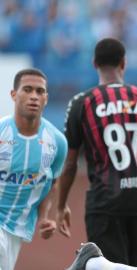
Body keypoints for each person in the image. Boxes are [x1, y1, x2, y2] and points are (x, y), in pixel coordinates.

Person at [56, 38, 137, 269]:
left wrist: (61, 204)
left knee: (104, 266)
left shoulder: (82, 103)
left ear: (94, 63)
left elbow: (71, 163)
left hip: (105, 201)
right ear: (123, 63)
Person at [0, 68, 68, 270]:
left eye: (39, 92)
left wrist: (45, 217)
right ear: (13, 94)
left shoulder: (57, 142)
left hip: (16, 229)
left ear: (46, 98)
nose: (33, 96)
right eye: (27, 90)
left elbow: (50, 183)